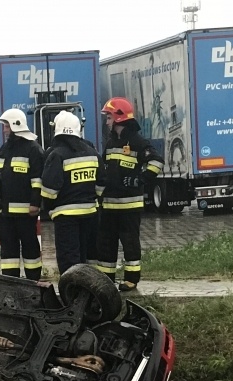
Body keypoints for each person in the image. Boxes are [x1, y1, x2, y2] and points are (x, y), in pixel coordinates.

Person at [97, 97, 164, 292]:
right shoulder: (111, 142)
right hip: (109, 205)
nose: (107, 121)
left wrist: (140, 180)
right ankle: (106, 279)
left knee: (130, 243)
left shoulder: (137, 141)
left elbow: (157, 162)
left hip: (129, 206)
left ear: (119, 117)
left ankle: (131, 279)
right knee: (106, 244)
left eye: (108, 117)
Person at [39, 111, 105, 275]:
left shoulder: (56, 155)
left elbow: (49, 190)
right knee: (85, 256)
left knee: (69, 258)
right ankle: (87, 289)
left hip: (65, 217)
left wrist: (49, 208)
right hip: (90, 214)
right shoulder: (92, 152)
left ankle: (71, 293)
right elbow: (102, 183)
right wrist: (91, 197)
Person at [0, 108, 46, 280]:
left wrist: (35, 203)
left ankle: (33, 282)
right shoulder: (4, 150)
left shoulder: (33, 149)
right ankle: (10, 282)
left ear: (16, 125)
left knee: (30, 247)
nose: (4, 130)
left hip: (26, 214)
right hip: (6, 213)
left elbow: (38, 179)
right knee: (8, 250)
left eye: (6, 126)